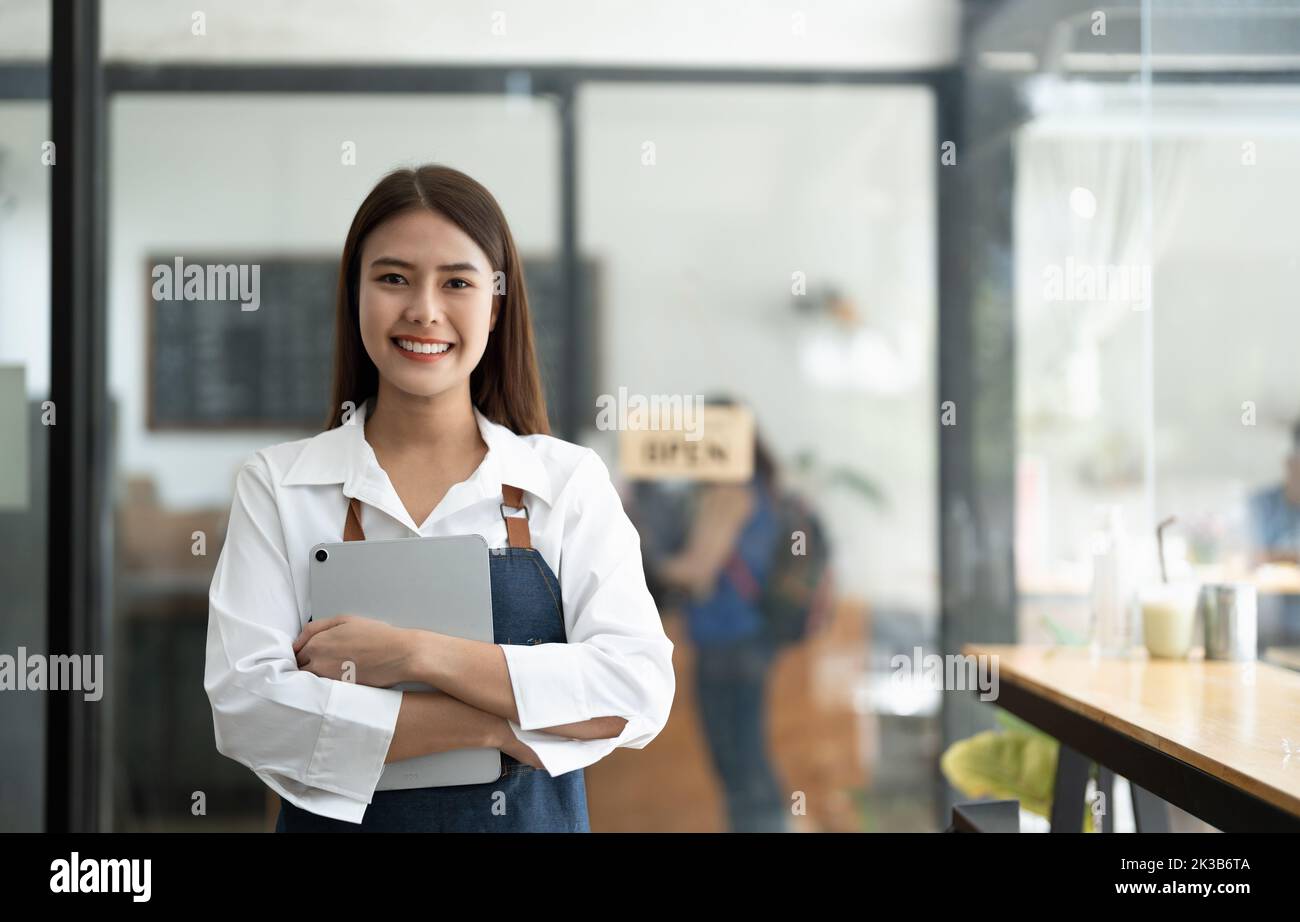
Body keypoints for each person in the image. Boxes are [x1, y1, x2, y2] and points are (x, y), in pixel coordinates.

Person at [203, 164, 676, 832]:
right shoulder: (279, 485)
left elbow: (635, 691)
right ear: (354, 295)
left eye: (456, 281)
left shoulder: (566, 482)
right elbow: (248, 711)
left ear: (496, 303)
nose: (424, 308)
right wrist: (493, 726)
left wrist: (414, 656)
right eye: (393, 278)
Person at [636, 404, 790, 832]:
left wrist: (639, 552)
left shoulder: (729, 493)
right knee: (746, 760)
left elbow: (698, 573)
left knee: (740, 764)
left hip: (730, 645)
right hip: (744, 642)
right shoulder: (755, 488)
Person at [1246, 420, 1300, 647]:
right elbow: (1249, 556)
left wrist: (1277, 555)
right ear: (1289, 463)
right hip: (1269, 630)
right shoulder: (1261, 503)